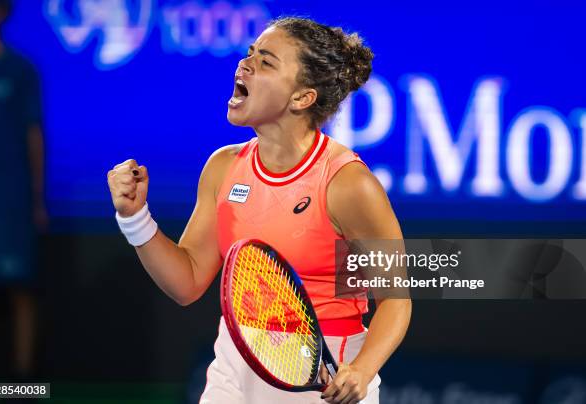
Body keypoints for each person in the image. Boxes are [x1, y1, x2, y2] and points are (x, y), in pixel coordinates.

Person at [108, 17, 411, 404]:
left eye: (266, 62)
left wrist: (363, 370)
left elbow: (396, 299)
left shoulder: (349, 185)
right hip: (238, 359)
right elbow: (187, 283)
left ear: (302, 98)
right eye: (249, 54)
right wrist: (135, 218)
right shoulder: (223, 167)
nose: (244, 65)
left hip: (325, 368)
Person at [0, 0, 47, 379]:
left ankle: (24, 383)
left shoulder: (19, 71)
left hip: (11, 198)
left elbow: (33, 136)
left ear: (0, 14)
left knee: (21, 291)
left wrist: (36, 198)